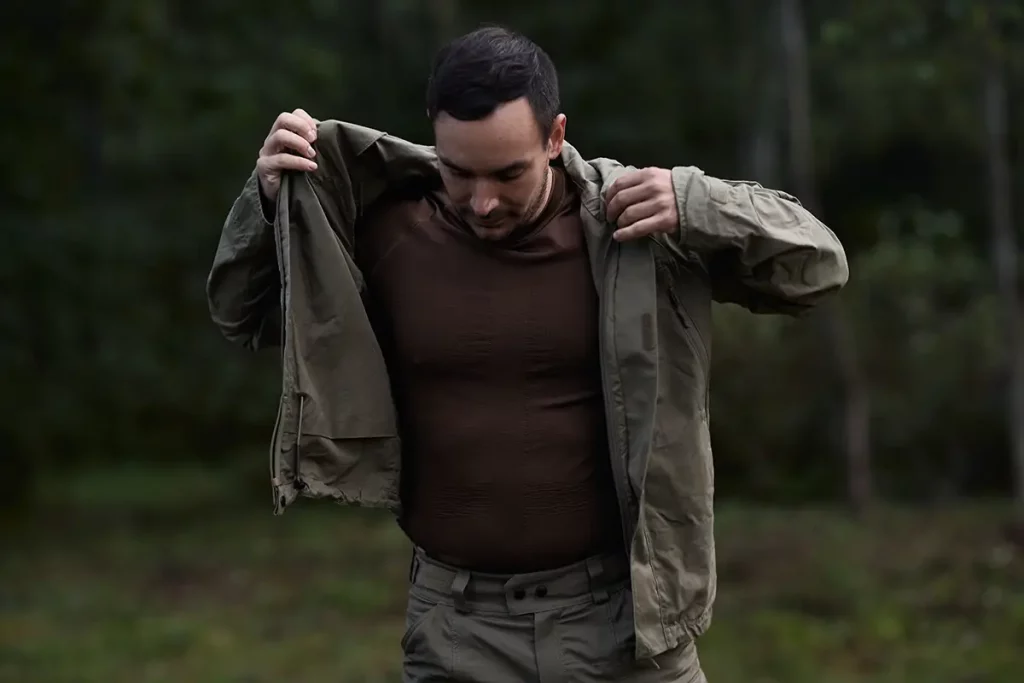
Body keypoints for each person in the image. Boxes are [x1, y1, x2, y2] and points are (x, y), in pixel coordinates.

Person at [207, 25, 848, 683]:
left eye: (509, 173)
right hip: (454, 628)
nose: (482, 202)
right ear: (434, 133)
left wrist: (698, 203)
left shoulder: (636, 224)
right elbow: (240, 315)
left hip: (624, 628)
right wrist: (266, 202)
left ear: (555, 136)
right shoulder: (387, 229)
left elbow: (818, 269)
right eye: (460, 172)